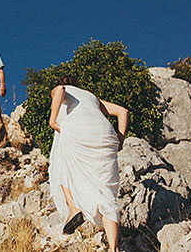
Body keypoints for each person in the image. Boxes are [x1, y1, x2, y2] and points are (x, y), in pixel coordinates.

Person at [48, 76, 129, 252]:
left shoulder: (63, 89)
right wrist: (120, 139)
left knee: (60, 165)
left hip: (79, 128)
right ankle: (114, 248)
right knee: (107, 193)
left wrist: (52, 121)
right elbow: (123, 111)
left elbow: (60, 90)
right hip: (105, 132)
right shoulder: (91, 97)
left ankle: (74, 207)